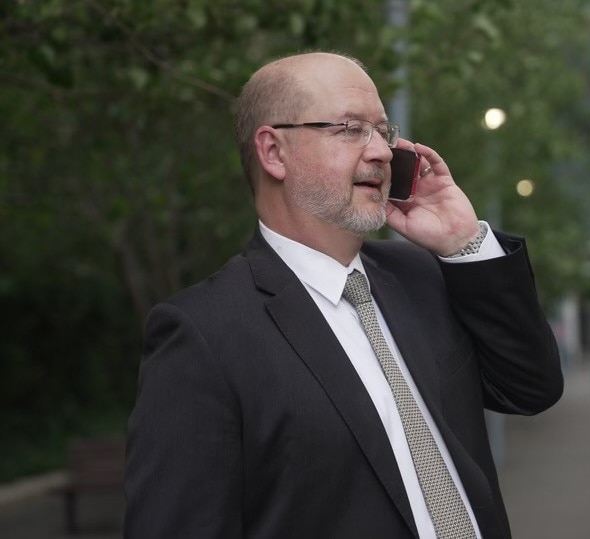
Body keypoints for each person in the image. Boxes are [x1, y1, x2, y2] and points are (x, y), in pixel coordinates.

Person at [124, 51, 564, 539]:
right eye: (351, 129)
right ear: (274, 152)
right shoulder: (204, 333)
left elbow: (531, 388)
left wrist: (463, 243)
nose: (380, 152)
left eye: (383, 131)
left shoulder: (424, 277)